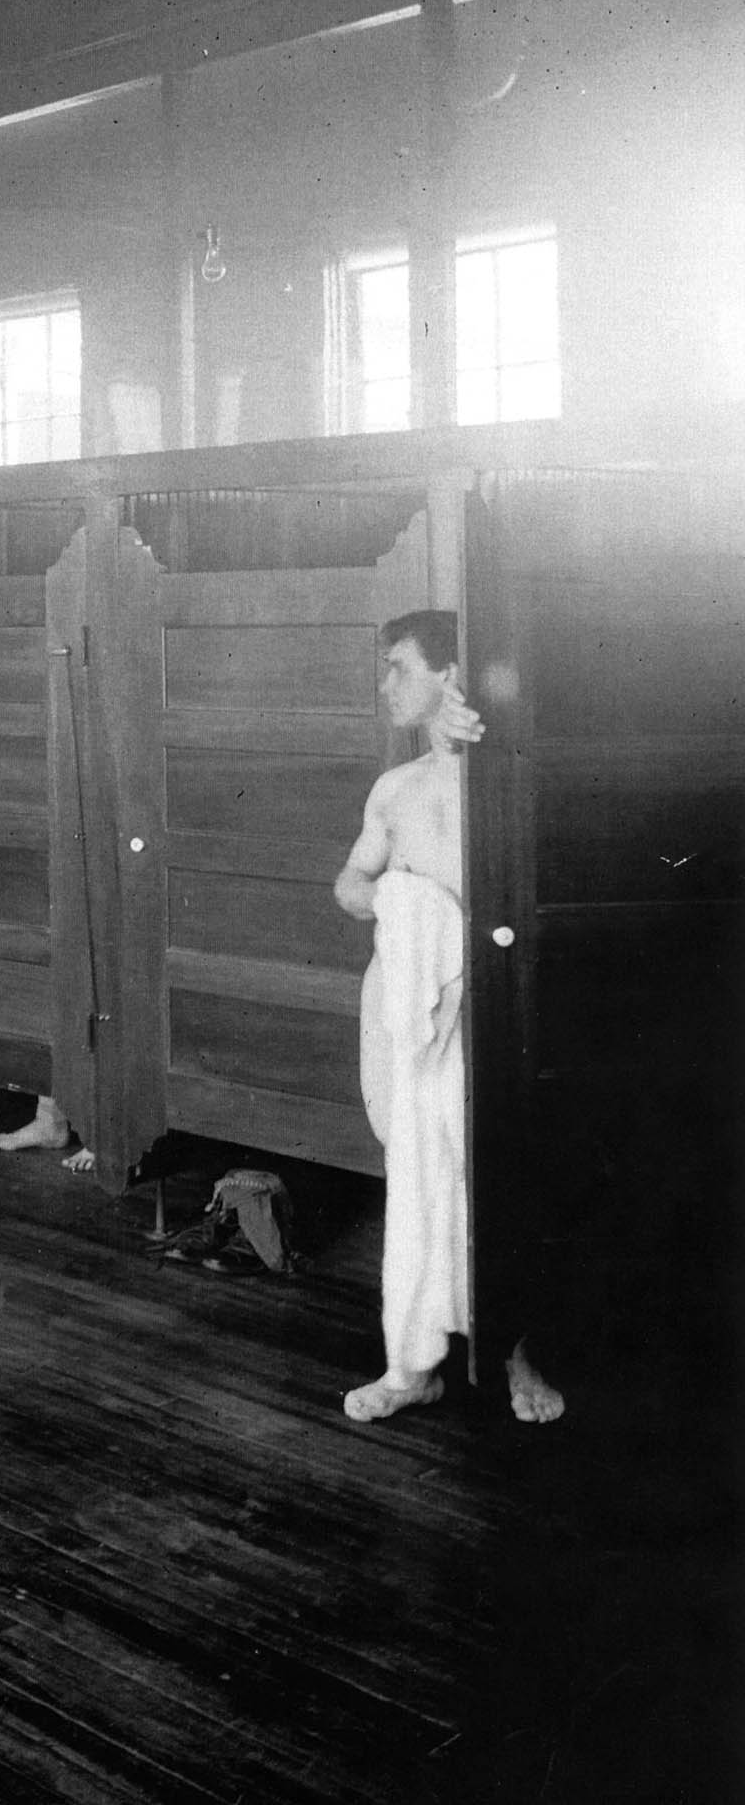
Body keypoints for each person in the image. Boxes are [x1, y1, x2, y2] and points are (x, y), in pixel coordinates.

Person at [332, 608, 562, 1425]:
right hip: (402, 1011)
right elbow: (351, 886)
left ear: (449, 675)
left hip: (479, 1010)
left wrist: (485, 735)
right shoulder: (393, 789)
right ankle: (412, 1363)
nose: (385, 683)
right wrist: (400, 900)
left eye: (399, 666)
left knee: (489, 1178)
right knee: (416, 1182)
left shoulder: (504, 781)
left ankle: (513, 1353)